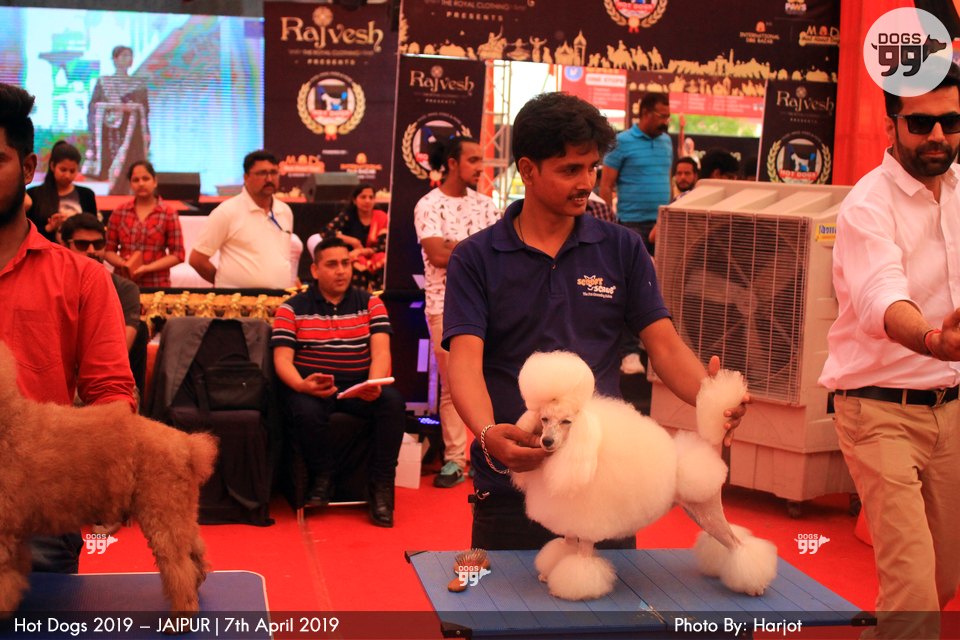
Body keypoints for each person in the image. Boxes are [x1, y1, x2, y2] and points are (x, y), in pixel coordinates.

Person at [442, 92, 748, 550]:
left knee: (605, 598)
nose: (587, 182)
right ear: (527, 170)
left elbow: (664, 346)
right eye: (570, 170)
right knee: (504, 598)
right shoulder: (475, 258)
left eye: (591, 167)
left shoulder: (623, 248)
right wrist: (488, 436)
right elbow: (464, 363)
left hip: (605, 486)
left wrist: (713, 398)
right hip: (511, 482)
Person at [819, 64, 960, 640]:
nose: (938, 136)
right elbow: (882, 297)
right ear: (891, 126)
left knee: (943, 579)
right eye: (921, 123)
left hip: (949, 409)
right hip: (876, 410)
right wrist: (932, 340)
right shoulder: (867, 205)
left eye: (951, 122)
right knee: (914, 596)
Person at [0, 83, 135, 573]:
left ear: (28, 169)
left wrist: (106, 470)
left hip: (39, 510)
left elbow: (111, 394)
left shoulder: (82, 278)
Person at [272, 236, 405, 527]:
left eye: (346, 263)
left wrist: (374, 383)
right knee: (302, 409)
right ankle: (323, 476)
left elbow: (381, 352)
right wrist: (301, 385)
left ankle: (381, 486)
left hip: (359, 385)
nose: (341, 271)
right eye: (332, 265)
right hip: (312, 388)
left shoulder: (371, 303)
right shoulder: (291, 308)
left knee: (393, 403)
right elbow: (282, 360)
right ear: (315, 270)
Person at [414, 136, 500, 488]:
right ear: (452, 163)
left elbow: (500, 254)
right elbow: (437, 255)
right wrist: (476, 249)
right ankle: (453, 459)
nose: (481, 167)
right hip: (444, 306)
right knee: (453, 386)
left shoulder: (487, 205)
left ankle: (491, 454)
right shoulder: (428, 204)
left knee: (494, 380)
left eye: (481, 160)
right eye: (474, 160)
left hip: (493, 305)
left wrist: (457, 247)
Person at [189, 150, 295, 289]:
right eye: (262, 173)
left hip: (280, 297)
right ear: (246, 177)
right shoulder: (226, 212)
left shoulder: (285, 211)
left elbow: (282, 258)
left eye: (274, 172)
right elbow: (197, 260)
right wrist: (223, 284)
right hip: (237, 299)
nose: (269, 179)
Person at [599, 91, 672, 255]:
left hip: (662, 223)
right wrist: (608, 224)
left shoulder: (666, 141)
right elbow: (606, 186)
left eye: (668, 117)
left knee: (661, 270)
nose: (665, 122)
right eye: (661, 116)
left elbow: (667, 177)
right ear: (645, 113)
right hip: (631, 224)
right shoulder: (621, 141)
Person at [61, 213, 141, 351]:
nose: (92, 251)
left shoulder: (125, 289)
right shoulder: (53, 286)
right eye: (82, 245)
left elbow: (121, 348)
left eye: (98, 244)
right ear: (64, 246)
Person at [104, 160, 184, 288]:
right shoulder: (120, 212)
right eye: (136, 180)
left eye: (145, 179)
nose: (141, 183)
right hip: (124, 283)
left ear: (155, 181)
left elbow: (178, 255)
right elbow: (108, 251)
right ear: (130, 184)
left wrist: (147, 268)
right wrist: (124, 264)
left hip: (156, 283)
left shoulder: (168, 213)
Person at [85, 45, 149, 195]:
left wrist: (133, 108)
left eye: (130, 56)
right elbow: (93, 107)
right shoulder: (104, 82)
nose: (129, 59)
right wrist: (114, 107)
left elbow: (145, 109)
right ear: (115, 59)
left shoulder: (139, 84)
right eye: (124, 55)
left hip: (131, 134)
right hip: (108, 134)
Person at [26, 140, 97, 242]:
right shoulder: (33, 195)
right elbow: (26, 234)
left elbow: (95, 230)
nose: (67, 175)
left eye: (72, 171)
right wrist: (49, 228)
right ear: (52, 166)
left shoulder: (87, 195)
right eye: (63, 170)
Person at [323, 183, 387, 292]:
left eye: (371, 197)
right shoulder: (348, 215)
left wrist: (361, 251)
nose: (367, 201)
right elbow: (326, 232)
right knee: (355, 266)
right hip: (353, 257)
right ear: (354, 200)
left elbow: (383, 246)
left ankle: (378, 297)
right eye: (363, 197)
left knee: (383, 262)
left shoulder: (381, 217)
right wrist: (352, 241)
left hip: (375, 256)